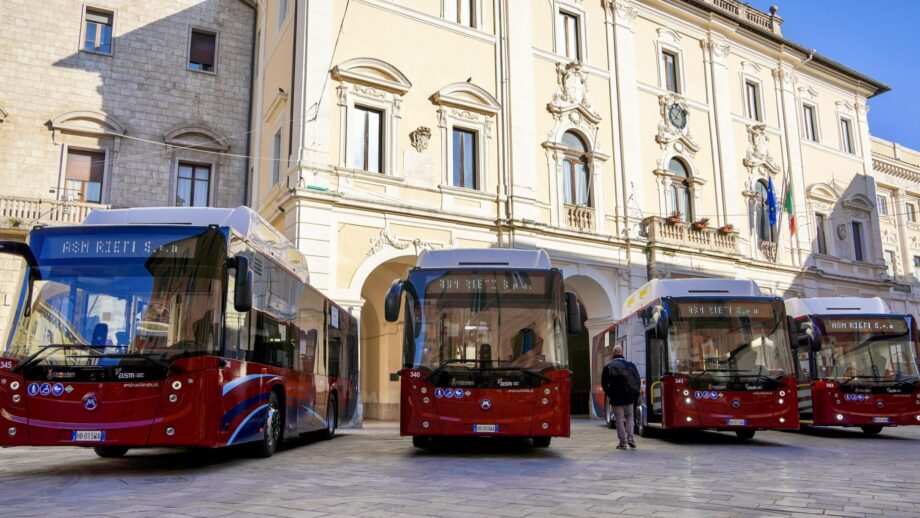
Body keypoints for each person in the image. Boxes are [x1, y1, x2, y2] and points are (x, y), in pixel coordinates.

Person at [601, 344, 641, 450]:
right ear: (622, 353)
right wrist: (634, 394)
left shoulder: (608, 367)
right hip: (629, 397)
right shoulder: (630, 365)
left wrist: (610, 393)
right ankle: (631, 439)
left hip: (615, 397)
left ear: (613, 354)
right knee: (630, 417)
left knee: (619, 418)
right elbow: (637, 380)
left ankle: (622, 442)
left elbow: (604, 384)